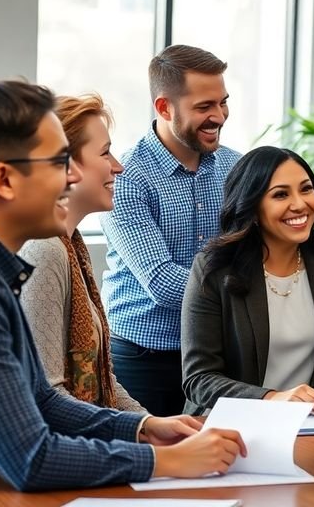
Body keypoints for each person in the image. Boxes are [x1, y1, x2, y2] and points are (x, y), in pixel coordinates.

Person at [0, 68, 244, 489]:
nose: (71, 177)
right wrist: (163, 461)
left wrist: (142, 429)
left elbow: (41, 399)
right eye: (60, 162)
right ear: (4, 180)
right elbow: (31, 459)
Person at [100, 45, 241, 416]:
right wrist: (247, 287)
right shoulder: (126, 178)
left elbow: (255, 252)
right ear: (165, 108)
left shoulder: (236, 168)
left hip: (216, 356)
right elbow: (162, 282)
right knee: (150, 465)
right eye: (204, 107)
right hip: (144, 358)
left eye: (223, 103)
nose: (220, 116)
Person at [181, 146, 314, 415]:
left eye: (306, 189)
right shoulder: (213, 269)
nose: (299, 204)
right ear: (252, 206)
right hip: (232, 425)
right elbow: (199, 378)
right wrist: (272, 399)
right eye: (280, 194)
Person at [18, 94, 143, 412]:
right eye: (105, 153)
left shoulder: (72, 246)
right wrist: (144, 435)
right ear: (66, 164)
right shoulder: (43, 250)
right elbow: (47, 396)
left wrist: (152, 425)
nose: (118, 166)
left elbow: (105, 381)